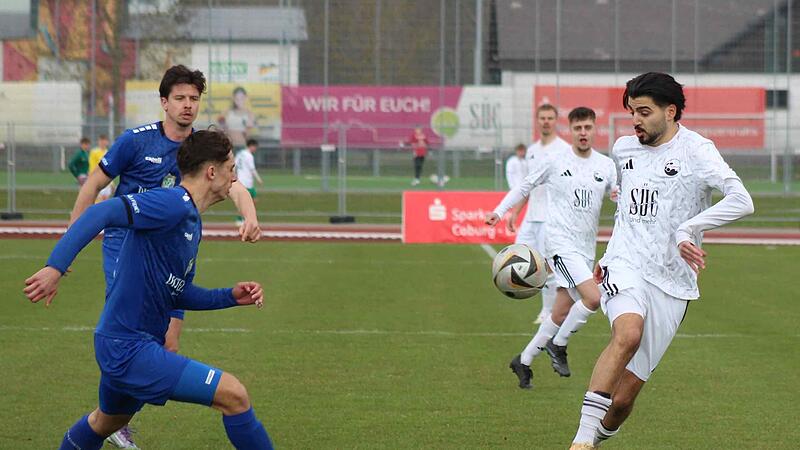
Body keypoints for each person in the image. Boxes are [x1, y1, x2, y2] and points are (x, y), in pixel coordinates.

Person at [24, 130, 273, 450]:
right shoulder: (172, 203)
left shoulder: (191, 222)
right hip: (129, 348)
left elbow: (176, 291)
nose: (234, 177)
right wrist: (55, 266)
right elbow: (103, 211)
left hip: (127, 343)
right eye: (231, 169)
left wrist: (229, 296)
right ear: (212, 172)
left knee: (104, 423)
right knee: (234, 395)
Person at [68, 65, 261, 448]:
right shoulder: (136, 142)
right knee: (136, 333)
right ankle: (115, 413)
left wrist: (250, 216)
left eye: (194, 99)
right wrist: (72, 242)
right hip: (128, 250)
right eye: (180, 98)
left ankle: (111, 415)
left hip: (175, 255)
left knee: (167, 342)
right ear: (164, 102)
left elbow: (234, 185)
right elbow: (96, 184)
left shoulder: (201, 150)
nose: (188, 106)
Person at [568, 73, 754, 449]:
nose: (635, 120)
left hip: (673, 281)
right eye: (632, 111)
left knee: (621, 402)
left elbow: (742, 199)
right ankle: (581, 441)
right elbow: (629, 211)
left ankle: (598, 436)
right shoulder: (624, 149)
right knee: (628, 333)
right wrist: (608, 254)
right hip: (626, 263)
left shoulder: (698, 150)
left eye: (644, 112)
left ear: (671, 112)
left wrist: (688, 230)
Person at [486, 107, 617, 388]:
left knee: (560, 312)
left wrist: (619, 195)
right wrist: (500, 211)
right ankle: (558, 345)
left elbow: (618, 195)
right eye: (578, 128)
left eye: (588, 128)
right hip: (559, 242)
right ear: (570, 131)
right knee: (593, 299)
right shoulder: (556, 161)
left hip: (584, 247)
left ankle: (523, 361)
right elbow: (524, 186)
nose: (583, 133)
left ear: (595, 130)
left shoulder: (606, 166)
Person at [509, 104, 572, 325]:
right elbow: (528, 185)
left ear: (556, 121)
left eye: (550, 118)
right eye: (542, 118)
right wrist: (515, 211)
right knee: (518, 259)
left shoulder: (564, 149)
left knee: (548, 267)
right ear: (538, 120)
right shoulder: (532, 150)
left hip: (551, 218)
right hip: (530, 218)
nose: (546, 121)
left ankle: (548, 312)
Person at [234, 138, 264, 225]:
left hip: (241, 180)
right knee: (249, 201)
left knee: (247, 201)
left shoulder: (240, 154)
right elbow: (252, 169)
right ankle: (241, 219)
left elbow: (234, 165)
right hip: (246, 182)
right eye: (255, 147)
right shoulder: (249, 156)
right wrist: (258, 179)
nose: (255, 149)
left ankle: (243, 218)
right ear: (251, 146)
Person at [89, 134, 113, 202]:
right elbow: (92, 166)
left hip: (107, 180)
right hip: (97, 179)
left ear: (107, 142)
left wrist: (112, 183)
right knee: (97, 201)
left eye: (104, 141)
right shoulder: (94, 152)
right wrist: (92, 178)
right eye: (101, 141)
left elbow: (110, 168)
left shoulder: (109, 152)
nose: (103, 143)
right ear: (98, 142)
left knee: (105, 201)